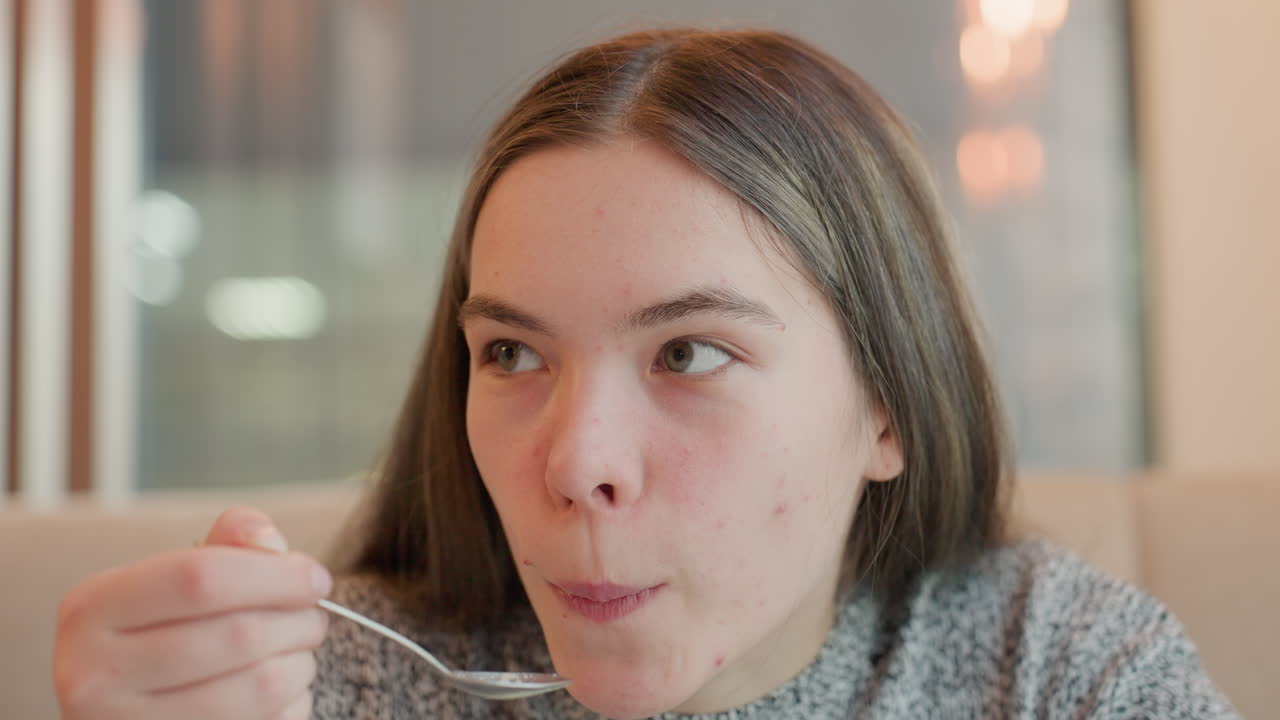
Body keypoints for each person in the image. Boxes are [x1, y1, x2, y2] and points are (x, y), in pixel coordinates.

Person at [52, 27, 1238, 720]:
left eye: (687, 353)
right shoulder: (321, 685)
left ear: (886, 406)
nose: (573, 463)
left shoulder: (1058, 671)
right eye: (510, 352)